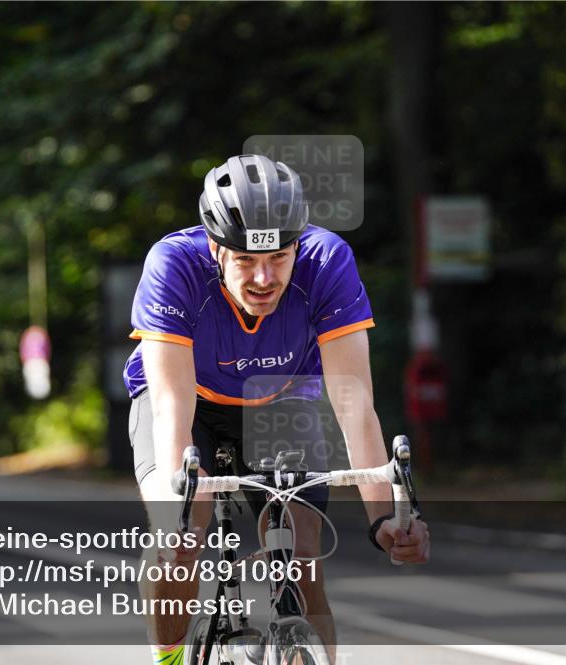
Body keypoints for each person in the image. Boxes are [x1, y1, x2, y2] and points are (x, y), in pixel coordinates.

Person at [124, 154, 430, 664]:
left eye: (279, 258)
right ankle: (169, 659)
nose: (263, 278)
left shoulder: (327, 261)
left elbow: (354, 405)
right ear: (216, 249)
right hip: (188, 400)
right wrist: (173, 515)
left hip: (280, 396)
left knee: (302, 554)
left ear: (297, 245)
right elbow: (170, 409)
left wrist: (384, 520)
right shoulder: (173, 264)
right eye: (244, 260)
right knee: (178, 542)